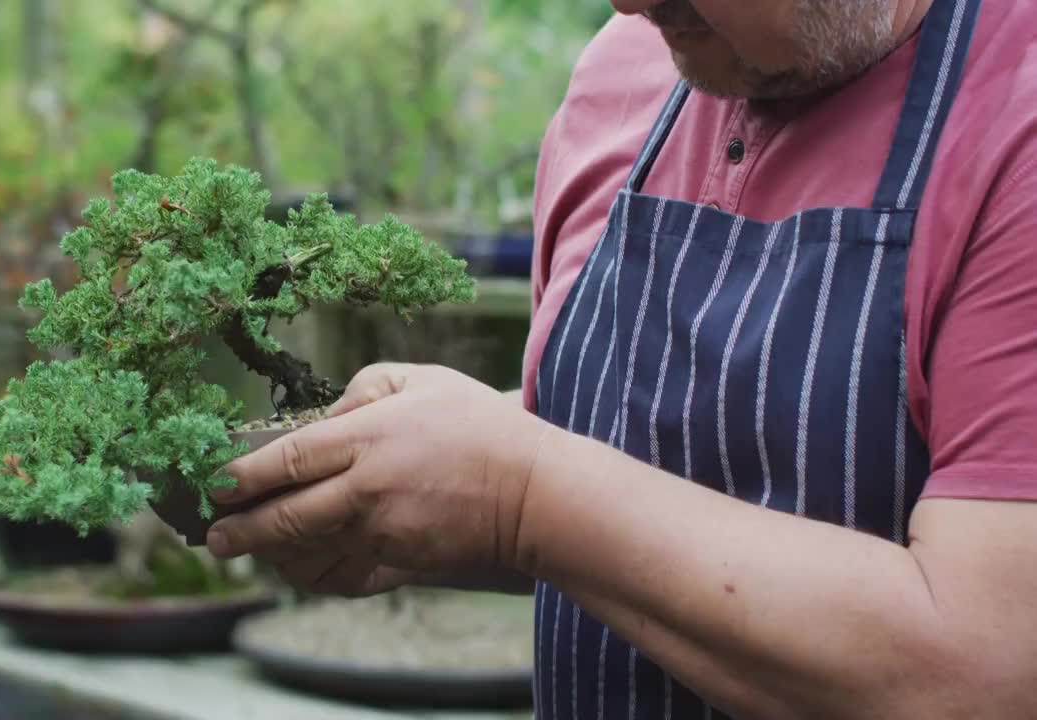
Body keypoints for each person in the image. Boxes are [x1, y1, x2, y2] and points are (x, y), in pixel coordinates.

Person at [205, 0, 1037, 717]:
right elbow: (617, 473)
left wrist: (520, 493)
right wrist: (407, 491)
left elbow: (981, 673)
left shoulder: (1014, 105)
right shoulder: (627, 73)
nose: (630, 2)